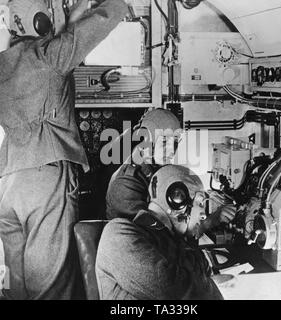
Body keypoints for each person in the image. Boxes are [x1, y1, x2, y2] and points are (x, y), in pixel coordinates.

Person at [0, 0, 128, 300]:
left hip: (7, 184)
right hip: (44, 180)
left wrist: (69, 19)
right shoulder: (50, 56)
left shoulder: (3, 63)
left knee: (17, 290)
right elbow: (111, 14)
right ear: (42, 21)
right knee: (52, 288)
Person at [96, 164, 236, 300]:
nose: (203, 215)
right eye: (200, 203)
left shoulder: (174, 241)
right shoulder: (118, 235)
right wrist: (210, 284)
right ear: (177, 199)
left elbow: (204, 272)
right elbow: (174, 290)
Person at [105, 108, 182, 220]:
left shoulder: (157, 172)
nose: (172, 151)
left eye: (175, 142)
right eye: (165, 141)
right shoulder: (125, 183)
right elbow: (154, 230)